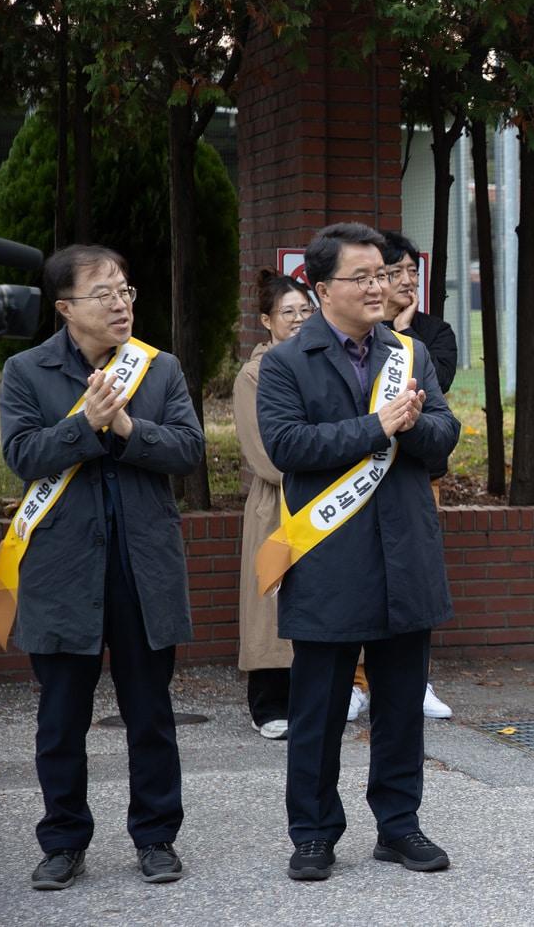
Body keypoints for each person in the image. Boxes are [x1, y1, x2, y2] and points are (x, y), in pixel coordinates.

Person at [0, 244, 204, 888]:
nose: (120, 304)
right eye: (103, 294)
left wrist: (125, 431)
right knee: (61, 718)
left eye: (126, 291)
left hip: (143, 569)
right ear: (64, 309)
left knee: (150, 714)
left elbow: (189, 449)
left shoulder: (159, 369)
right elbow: (23, 455)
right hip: (61, 570)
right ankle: (62, 841)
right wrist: (84, 424)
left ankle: (157, 837)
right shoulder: (26, 372)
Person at [256, 222, 460, 881]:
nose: (381, 286)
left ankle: (399, 826)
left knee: (401, 705)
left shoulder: (410, 353)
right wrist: (379, 425)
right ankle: (313, 832)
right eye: (363, 276)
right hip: (328, 557)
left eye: (386, 273)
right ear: (321, 289)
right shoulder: (288, 362)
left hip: (406, 552)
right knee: (316, 709)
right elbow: (288, 447)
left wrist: (413, 425)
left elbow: (446, 433)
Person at [346, 229, 458, 724]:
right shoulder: (335, 346)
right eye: (397, 272)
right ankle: (356, 680)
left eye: (414, 272)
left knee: (409, 583)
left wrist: (405, 335)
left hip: (414, 477)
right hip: (349, 487)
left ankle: (416, 680)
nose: (408, 280)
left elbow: (438, 401)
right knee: (357, 581)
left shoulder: (430, 336)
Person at [234, 269, 314, 740]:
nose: (300, 319)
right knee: (271, 602)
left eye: (307, 310)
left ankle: (312, 699)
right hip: (278, 502)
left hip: (321, 504)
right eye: (289, 312)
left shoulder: (321, 363)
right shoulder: (254, 373)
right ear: (267, 321)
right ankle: (267, 703)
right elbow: (264, 453)